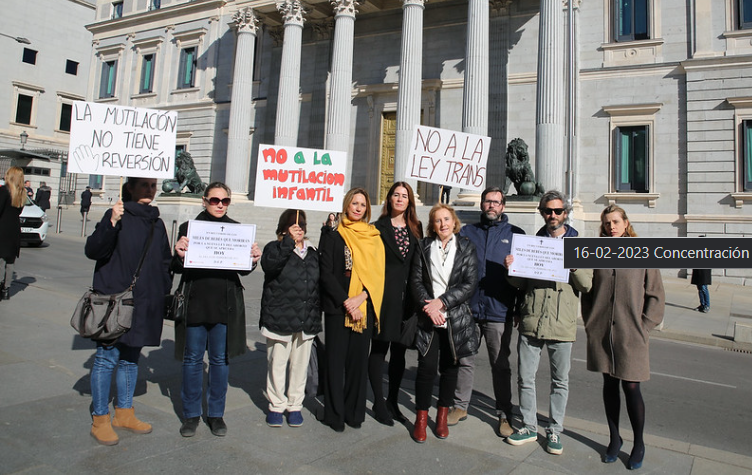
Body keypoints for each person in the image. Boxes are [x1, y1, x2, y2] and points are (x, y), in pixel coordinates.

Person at [84, 177, 172, 446]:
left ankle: (124, 412)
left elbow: (165, 261)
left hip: (145, 303)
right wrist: (110, 222)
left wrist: (162, 287)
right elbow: (93, 250)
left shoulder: (157, 222)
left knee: (131, 359)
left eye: (153, 185)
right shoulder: (117, 215)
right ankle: (100, 418)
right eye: (144, 185)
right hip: (116, 301)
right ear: (130, 187)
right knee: (106, 358)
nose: (150, 190)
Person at [503, 191, 593, 455]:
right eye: (547, 211)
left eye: (557, 211)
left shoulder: (578, 245)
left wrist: (575, 265)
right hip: (532, 319)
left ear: (565, 213)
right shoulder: (532, 243)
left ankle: (554, 429)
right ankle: (529, 425)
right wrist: (512, 268)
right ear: (541, 212)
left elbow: (587, 285)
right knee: (525, 378)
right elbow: (520, 284)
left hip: (561, 323)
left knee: (559, 381)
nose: (551, 216)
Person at [172, 182, 262, 437]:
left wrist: (253, 259)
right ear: (204, 200)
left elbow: (242, 269)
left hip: (224, 305)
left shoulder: (236, 230)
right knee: (192, 360)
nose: (220, 205)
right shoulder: (188, 229)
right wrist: (178, 254)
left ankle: (215, 414)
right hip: (196, 303)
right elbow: (177, 268)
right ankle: (190, 415)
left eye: (225, 201)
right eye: (215, 200)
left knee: (220, 361)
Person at [581, 205, 665, 470]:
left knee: (631, 386)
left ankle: (638, 442)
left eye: (616, 222)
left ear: (626, 223)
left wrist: (645, 325)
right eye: (607, 223)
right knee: (609, 386)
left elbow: (656, 295)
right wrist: (590, 322)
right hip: (603, 332)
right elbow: (588, 291)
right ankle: (614, 438)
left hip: (632, 333)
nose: (611, 227)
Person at [447, 186, 524, 437]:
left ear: (503, 206)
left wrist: (518, 308)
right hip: (469, 309)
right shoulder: (467, 233)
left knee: (500, 364)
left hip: (498, 310)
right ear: (481, 204)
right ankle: (460, 406)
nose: (491, 206)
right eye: (488, 201)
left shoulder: (516, 235)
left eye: (496, 202)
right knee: (465, 359)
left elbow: (524, 278)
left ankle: (504, 413)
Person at [410, 203, 479, 442]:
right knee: (426, 369)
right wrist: (428, 306)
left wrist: (443, 303)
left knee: (450, 369)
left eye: (447, 219)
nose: (443, 224)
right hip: (429, 318)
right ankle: (420, 419)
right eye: (438, 220)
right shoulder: (423, 246)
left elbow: (469, 284)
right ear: (432, 224)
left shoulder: (467, 247)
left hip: (454, 319)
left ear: (454, 221)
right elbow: (416, 281)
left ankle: (441, 418)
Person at [319, 187, 385, 432]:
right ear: (346, 204)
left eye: (363, 204)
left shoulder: (373, 235)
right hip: (339, 306)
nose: (358, 208)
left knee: (358, 363)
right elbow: (325, 271)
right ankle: (334, 415)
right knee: (335, 362)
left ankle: (354, 413)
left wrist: (360, 298)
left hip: (363, 305)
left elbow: (378, 275)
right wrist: (346, 301)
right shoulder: (333, 232)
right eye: (354, 203)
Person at [260, 209, 321, 428]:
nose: (299, 227)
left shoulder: (313, 251)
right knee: (277, 363)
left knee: (300, 365)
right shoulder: (274, 248)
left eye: (303, 224)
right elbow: (270, 266)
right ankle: (276, 405)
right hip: (280, 316)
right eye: (294, 224)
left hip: (307, 316)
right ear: (284, 227)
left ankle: (295, 405)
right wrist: (288, 243)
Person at [369, 182, 422, 426]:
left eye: (405, 196)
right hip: (383, 298)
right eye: (396, 195)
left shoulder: (416, 228)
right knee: (379, 350)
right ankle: (378, 402)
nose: (400, 199)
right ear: (388, 199)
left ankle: (392, 401)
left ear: (410, 201)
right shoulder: (376, 229)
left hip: (407, 301)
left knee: (399, 354)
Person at [0, 167, 25, 301]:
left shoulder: (4, 191)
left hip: (2, 229)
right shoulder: (21, 193)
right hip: (14, 230)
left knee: (0, 261)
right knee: (10, 262)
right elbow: (18, 212)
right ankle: (6, 290)